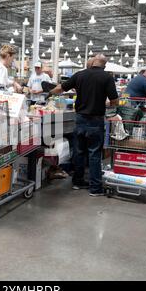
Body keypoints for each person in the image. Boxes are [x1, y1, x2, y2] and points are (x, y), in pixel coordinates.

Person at [49, 54, 119, 196]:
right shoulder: (107, 77)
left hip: (80, 119)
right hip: (96, 120)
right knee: (94, 154)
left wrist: (48, 92)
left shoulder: (80, 74)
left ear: (93, 62)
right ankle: (95, 188)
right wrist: (104, 102)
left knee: (79, 152)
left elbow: (60, 88)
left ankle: (78, 181)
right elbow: (115, 101)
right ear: (104, 65)